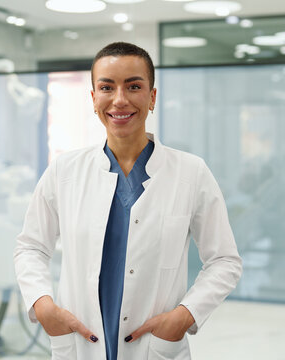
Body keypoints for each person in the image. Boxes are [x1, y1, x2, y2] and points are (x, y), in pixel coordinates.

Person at [14, 42, 242, 360]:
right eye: (107, 87)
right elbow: (31, 247)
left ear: (152, 97)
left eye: (134, 86)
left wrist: (185, 315)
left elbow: (224, 261)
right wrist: (43, 304)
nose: (120, 100)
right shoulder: (64, 171)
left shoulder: (191, 172)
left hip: (156, 346)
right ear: (93, 98)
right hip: (79, 344)